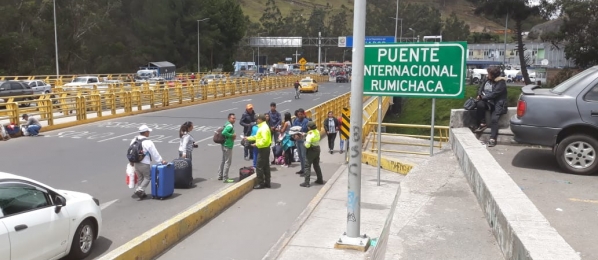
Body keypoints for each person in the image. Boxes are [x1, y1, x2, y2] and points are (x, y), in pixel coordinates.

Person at [474, 66, 508, 147]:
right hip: (488, 102)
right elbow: (480, 88)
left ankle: (493, 138)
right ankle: (482, 123)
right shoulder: (487, 79)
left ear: (493, 75)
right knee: (480, 104)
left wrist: (483, 97)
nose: (487, 75)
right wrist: (480, 94)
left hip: (498, 104)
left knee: (494, 119)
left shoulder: (501, 82)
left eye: (489, 73)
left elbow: (494, 94)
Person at [131, 125, 167, 199]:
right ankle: (140, 190)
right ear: (146, 132)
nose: (149, 133)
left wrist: (131, 161)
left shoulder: (134, 139)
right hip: (144, 163)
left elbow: (131, 151)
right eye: (148, 131)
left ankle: (142, 193)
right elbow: (154, 153)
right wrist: (161, 160)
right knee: (147, 177)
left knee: (140, 178)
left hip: (136, 162)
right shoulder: (148, 142)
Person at [244, 114, 272, 189]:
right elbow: (257, 136)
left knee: (259, 166)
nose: (256, 120)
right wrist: (248, 138)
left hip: (263, 149)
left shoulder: (263, 128)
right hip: (265, 148)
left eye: (257, 119)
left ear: (260, 120)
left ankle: (261, 183)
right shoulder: (262, 127)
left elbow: (264, 140)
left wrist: (256, 144)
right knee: (266, 166)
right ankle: (267, 182)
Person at [300, 121, 324, 187]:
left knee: (307, 166)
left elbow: (307, 145)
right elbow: (312, 136)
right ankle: (320, 179)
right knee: (316, 165)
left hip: (311, 151)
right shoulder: (317, 131)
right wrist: (305, 135)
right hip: (317, 149)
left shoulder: (310, 134)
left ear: (309, 127)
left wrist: (304, 142)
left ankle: (306, 182)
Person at [218, 113, 236, 183]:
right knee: (228, 162)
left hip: (224, 144)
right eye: (232, 118)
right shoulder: (230, 126)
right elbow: (224, 132)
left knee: (223, 160)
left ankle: (220, 175)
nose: (234, 119)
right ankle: (225, 178)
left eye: (234, 118)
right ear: (229, 118)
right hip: (228, 145)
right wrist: (231, 135)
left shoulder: (226, 124)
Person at [292, 109, 309, 175]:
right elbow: (293, 128)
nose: (300, 116)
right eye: (299, 114)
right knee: (300, 156)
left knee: (304, 156)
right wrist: (295, 134)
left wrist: (300, 134)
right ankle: (302, 169)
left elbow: (305, 129)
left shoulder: (306, 121)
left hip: (303, 140)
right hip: (297, 140)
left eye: (301, 114)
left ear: (303, 114)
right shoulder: (296, 120)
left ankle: (306, 170)